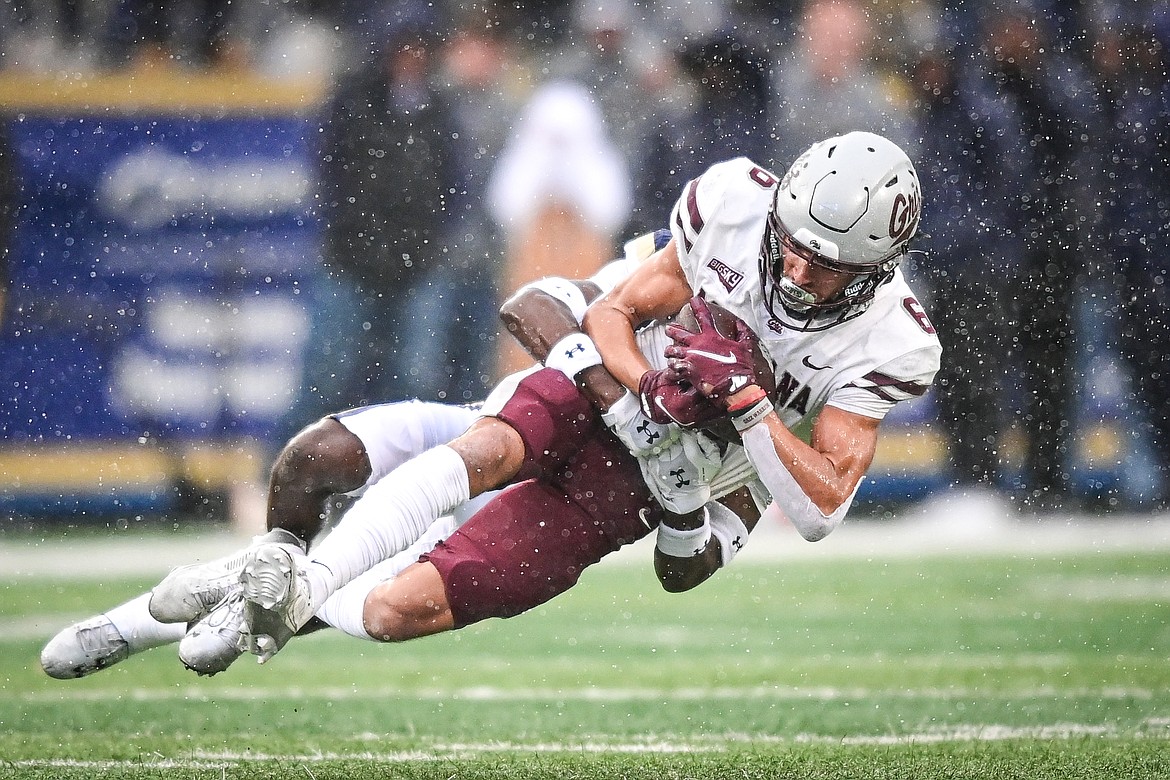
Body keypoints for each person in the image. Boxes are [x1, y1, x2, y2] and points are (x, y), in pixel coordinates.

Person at [47, 132, 941, 677]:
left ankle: (254, 597)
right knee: (339, 459)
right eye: (791, 246)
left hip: (637, 490)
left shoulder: (887, 346)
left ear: (877, 269)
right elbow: (563, 308)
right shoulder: (728, 213)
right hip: (596, 404)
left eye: (824, 266)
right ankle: (285, 577)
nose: (793, 272)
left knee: (403, 611)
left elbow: (784, 524)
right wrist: (641, 395)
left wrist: (712, 447)